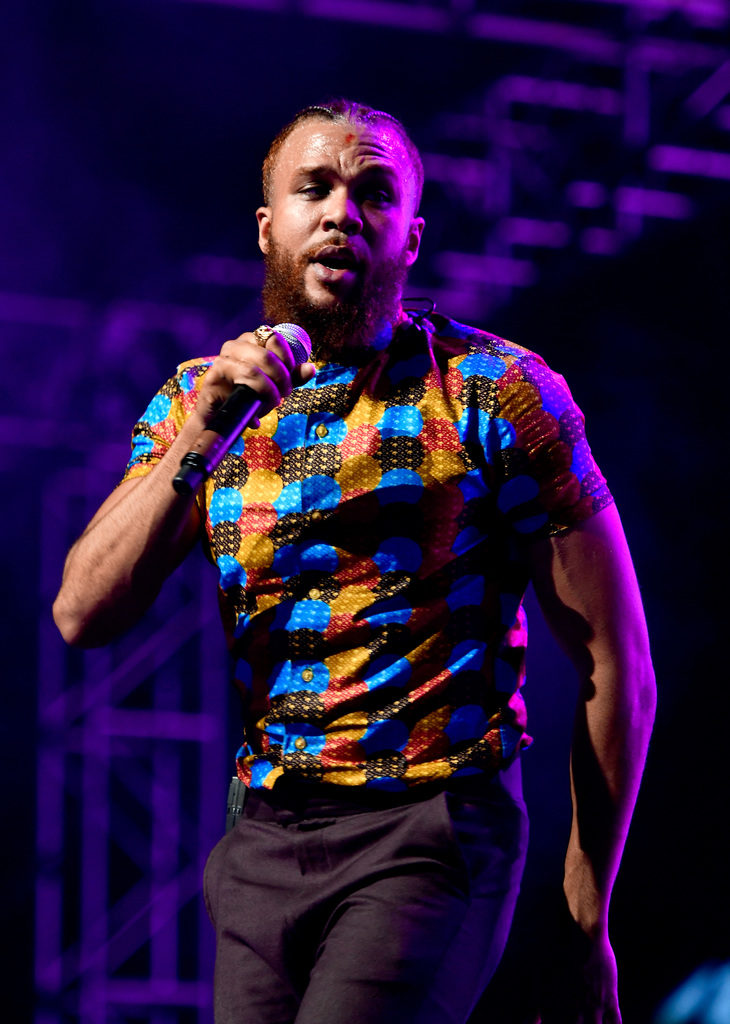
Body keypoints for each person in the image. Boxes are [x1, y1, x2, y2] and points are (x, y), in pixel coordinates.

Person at [53, 99, 656, 1024]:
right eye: (315, 189)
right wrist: (205, 432)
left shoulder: (496, 392)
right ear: (270, 229)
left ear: (411, 238)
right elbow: (81, 614)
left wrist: (585, 913)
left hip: (430, 832)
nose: (343, 211)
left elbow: (615, 663)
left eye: (375, 192)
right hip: (261, 845)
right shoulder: (200, 405)